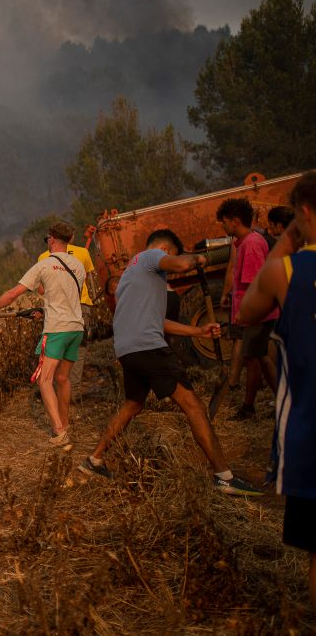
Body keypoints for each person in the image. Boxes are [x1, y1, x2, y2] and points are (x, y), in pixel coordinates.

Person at [77, 228, 263, 496]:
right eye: (171, 255)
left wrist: (197, 331)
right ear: (165, 250)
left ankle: (94, 460)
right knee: (193, 405)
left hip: (128, 350)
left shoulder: (131, 274)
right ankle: (224, 476)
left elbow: (157, 322)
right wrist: (196, 260)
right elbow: (179, 264)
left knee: (133, 405)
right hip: (149, 348)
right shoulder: (152, 256)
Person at [237, 172, 316, 606]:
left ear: (303, 213)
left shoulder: (287, 271)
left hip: (309, 434)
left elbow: (249, 312)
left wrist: (288, 237)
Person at [0, 221, 84, 445]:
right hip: (76, 327)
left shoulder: (44, 265)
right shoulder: (78, 266)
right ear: (69, 240)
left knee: (44, 380)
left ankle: (58, 432)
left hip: (57, 330)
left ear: (52, 240)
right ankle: (65, 426)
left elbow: (12, 294)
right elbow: (65, 297)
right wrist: (44, 311)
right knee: (63, 378)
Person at [217, 197, 278, 420]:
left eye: (224, 222)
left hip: (255, 314)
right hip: (254, 312)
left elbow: (255, 285)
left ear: (234, 222)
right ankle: (277, 400)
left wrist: (245, 313)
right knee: (258, 357)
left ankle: (252, 406)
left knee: (254, 358)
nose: (222, 227)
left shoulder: (251, 244)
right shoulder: (246, 242)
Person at [37, 225, 97, 328]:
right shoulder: (83, 252)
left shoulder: (43, 257)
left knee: (58, 342)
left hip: (56, 310)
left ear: (52, 240)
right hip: (81, 305)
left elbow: (41, 290)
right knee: (79, 342)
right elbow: (85, 279)